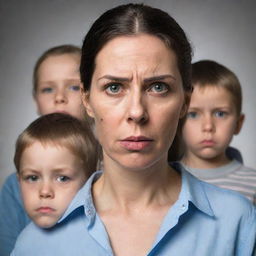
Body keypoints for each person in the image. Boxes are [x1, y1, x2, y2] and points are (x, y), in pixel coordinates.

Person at [11, 4, 256, 256]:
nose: (137, 112)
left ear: (185, 101)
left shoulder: (238, 221)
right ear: (87, 99)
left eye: (158, 87)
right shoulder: (34, 245)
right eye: (114, 87)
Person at [0, 44, 90, 255]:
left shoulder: (113, 176)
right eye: (48, 89)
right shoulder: (15, 187)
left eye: (74, 87)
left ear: (91, 95)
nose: (59, 97)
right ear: (36, 100)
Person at [181, 60, 256, 204]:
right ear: (177, 122)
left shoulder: (253, 184)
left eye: (220, 114)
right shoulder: (163, 179)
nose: (208, 126)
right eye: (193, 114)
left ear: (238, 124)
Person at [14, 113, 99, 228]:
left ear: (90, 182)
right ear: (19, 180)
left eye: (62, 178)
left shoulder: (103, 232)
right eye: (33, 178)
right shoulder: (24, 242)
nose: (44, 192)